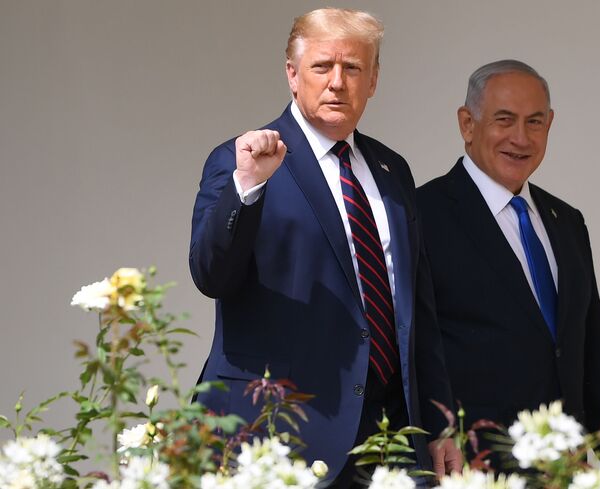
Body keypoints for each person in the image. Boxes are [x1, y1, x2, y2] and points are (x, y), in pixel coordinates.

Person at [189, 8, 460, 486]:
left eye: (353, 68)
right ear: (293, 75)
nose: (337, 82)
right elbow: (210, 275)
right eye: (322, 67)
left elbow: (419, 311)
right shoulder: (243, 160)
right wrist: (247, 188)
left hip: (390, 436)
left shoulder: (392, 171)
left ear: (373, 80)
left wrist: (438, 424)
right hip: (278, 432)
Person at [416, 60, 600, 464]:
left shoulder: (567, 222)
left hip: (564, 469)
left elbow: (593, 356)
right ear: (467, 124)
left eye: (535, 122)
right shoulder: (421, 216)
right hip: (476, 468)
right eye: (504, 120)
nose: (520, 138)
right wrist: (436, 435)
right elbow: (414, 351)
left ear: (550, 125)